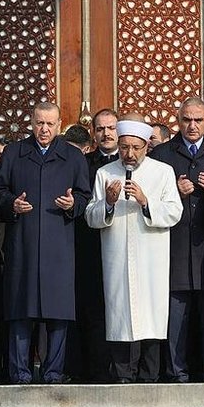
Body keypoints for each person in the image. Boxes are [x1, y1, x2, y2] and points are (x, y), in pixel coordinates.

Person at [0, 102, 91, 384]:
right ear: (31, 123)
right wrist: (12, 204)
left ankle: (53, 371)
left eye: (50, 124)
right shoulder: (14, 152)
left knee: (58, 312)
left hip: (58, 246)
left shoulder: (73, 157)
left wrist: (74, 204)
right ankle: (20, 372)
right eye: (39, 123)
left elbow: (85, 197)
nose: (44, 129)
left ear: (59, 125)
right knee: (20, 310)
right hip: (22, 244)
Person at [86, 119, 182, 382]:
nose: (129, 154)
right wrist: (108, 203)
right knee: (120, 317)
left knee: (150, 316)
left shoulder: (163, 172)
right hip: (117, 258)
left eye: (136, 148)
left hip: (151, 259)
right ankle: (122, 376)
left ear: (146, 147)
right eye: (125, 147)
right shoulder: (106, 173)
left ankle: (149, 376)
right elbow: (91, 216)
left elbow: (175, 211)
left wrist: (145, 201)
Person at [150, 97, 204, 382]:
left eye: (198, 120)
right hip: (173, 247)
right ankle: (176, 372)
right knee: (176, 318)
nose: (192, 126)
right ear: (178, 120)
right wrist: (173, 191)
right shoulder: (162, 154)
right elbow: (150, 199)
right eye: (187, 120)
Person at [74, 109, 118, 382]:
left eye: (111, 127)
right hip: (89, 247)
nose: (106, 133)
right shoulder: (83, 163)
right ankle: (92, 370)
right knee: (91, 311)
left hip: (124, 247)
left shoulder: (133, 162)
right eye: (100, 129)